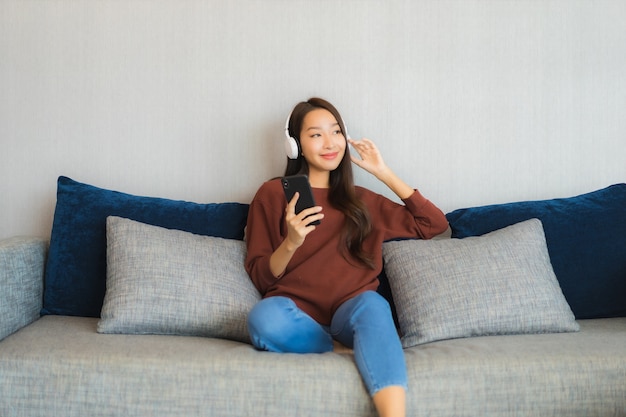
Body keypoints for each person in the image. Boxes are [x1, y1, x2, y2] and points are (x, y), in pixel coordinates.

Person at [244, 97, 448, 417]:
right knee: (263, 318)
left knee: (373, 305)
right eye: (316, 134)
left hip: (352, 311)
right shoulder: (271, 195)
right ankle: (337, 349)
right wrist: (292, 242)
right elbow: (260, 275)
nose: (330, 143)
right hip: (296, 314)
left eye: (336, 132)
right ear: (294, 145)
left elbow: (433, 224)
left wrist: (383, 172)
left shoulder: (362, 201)